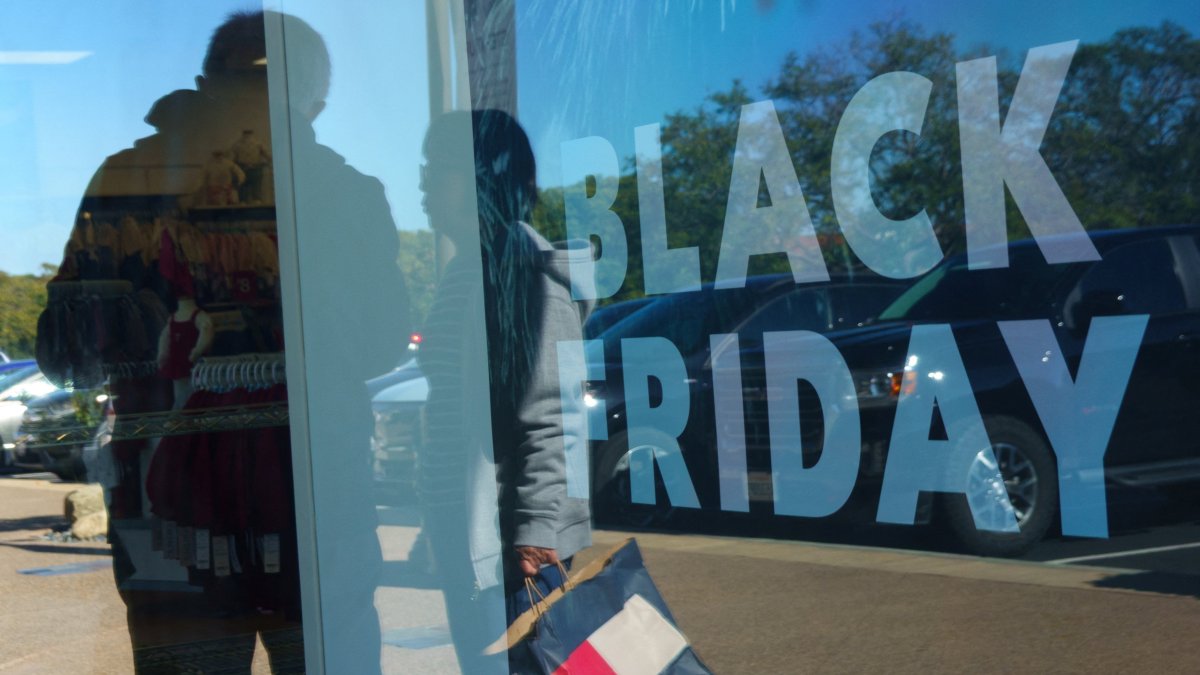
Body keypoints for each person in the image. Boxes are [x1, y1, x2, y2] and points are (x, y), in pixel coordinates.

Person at [418, 109, 593, 673]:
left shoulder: (523, 271)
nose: (421, 181)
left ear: (483, 177)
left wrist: (537, 533)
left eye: (435, 167)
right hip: (474, 530)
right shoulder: (475, 266)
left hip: (513, 546)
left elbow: (553, 416)